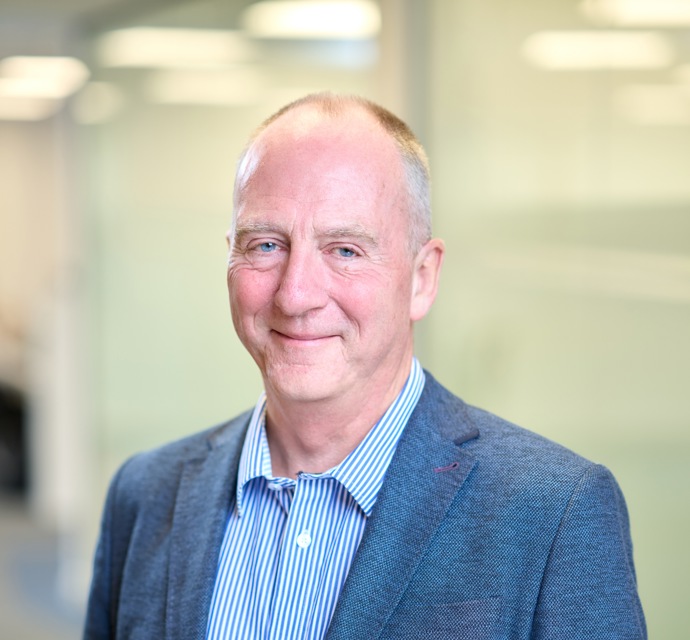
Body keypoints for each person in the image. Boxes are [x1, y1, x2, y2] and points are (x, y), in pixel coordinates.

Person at [83, 93, 646, 640]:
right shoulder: (145, 494)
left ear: (422, 278)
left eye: (345, 250)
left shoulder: (553, 513)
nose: (296, 295)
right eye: (266, 245)